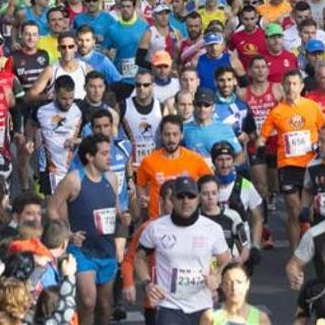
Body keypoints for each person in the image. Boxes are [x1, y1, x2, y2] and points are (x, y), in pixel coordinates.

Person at [47, 134, 123, 325]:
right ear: (90, 156)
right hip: (82, 251)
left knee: (105, 305)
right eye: (104, 154)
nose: (110, 157)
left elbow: (115, 208)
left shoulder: (112, 178)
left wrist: (123, 217)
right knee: (88, 302)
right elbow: (52, 209)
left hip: (106, 249)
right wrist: (68, 234)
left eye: (110, 153)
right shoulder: (74, 179)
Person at [138, 176, 232, 324]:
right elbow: (140, 256)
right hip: (169, 306)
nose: (186, 201)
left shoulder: (212, 229)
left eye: (191, 196)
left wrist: (218, 277)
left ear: (198, 199)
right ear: (172, 200)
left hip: (202, 306)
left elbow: (226, 261)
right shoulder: (156, 228)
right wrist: (147, 283)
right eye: (181, 196)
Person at [258, 69, 325, 248]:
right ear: (283, 86)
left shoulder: (312, 107)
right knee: (294, 209)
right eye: (287, 84)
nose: (291, 87)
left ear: (301, 86)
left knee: (309, 210)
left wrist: (323, 145)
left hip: (311, 164)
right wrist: (258, 145)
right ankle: (296, 253)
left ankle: (311, 238)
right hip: (287, 165)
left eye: (295, 84)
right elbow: (262, 136)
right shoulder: (277, 111)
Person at [200, 263, 271, 325]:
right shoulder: (210, 316)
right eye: (228, 283)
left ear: (247, 284)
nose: (234, 287)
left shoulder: (261, 319)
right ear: (222, 286)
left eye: (239, 282)